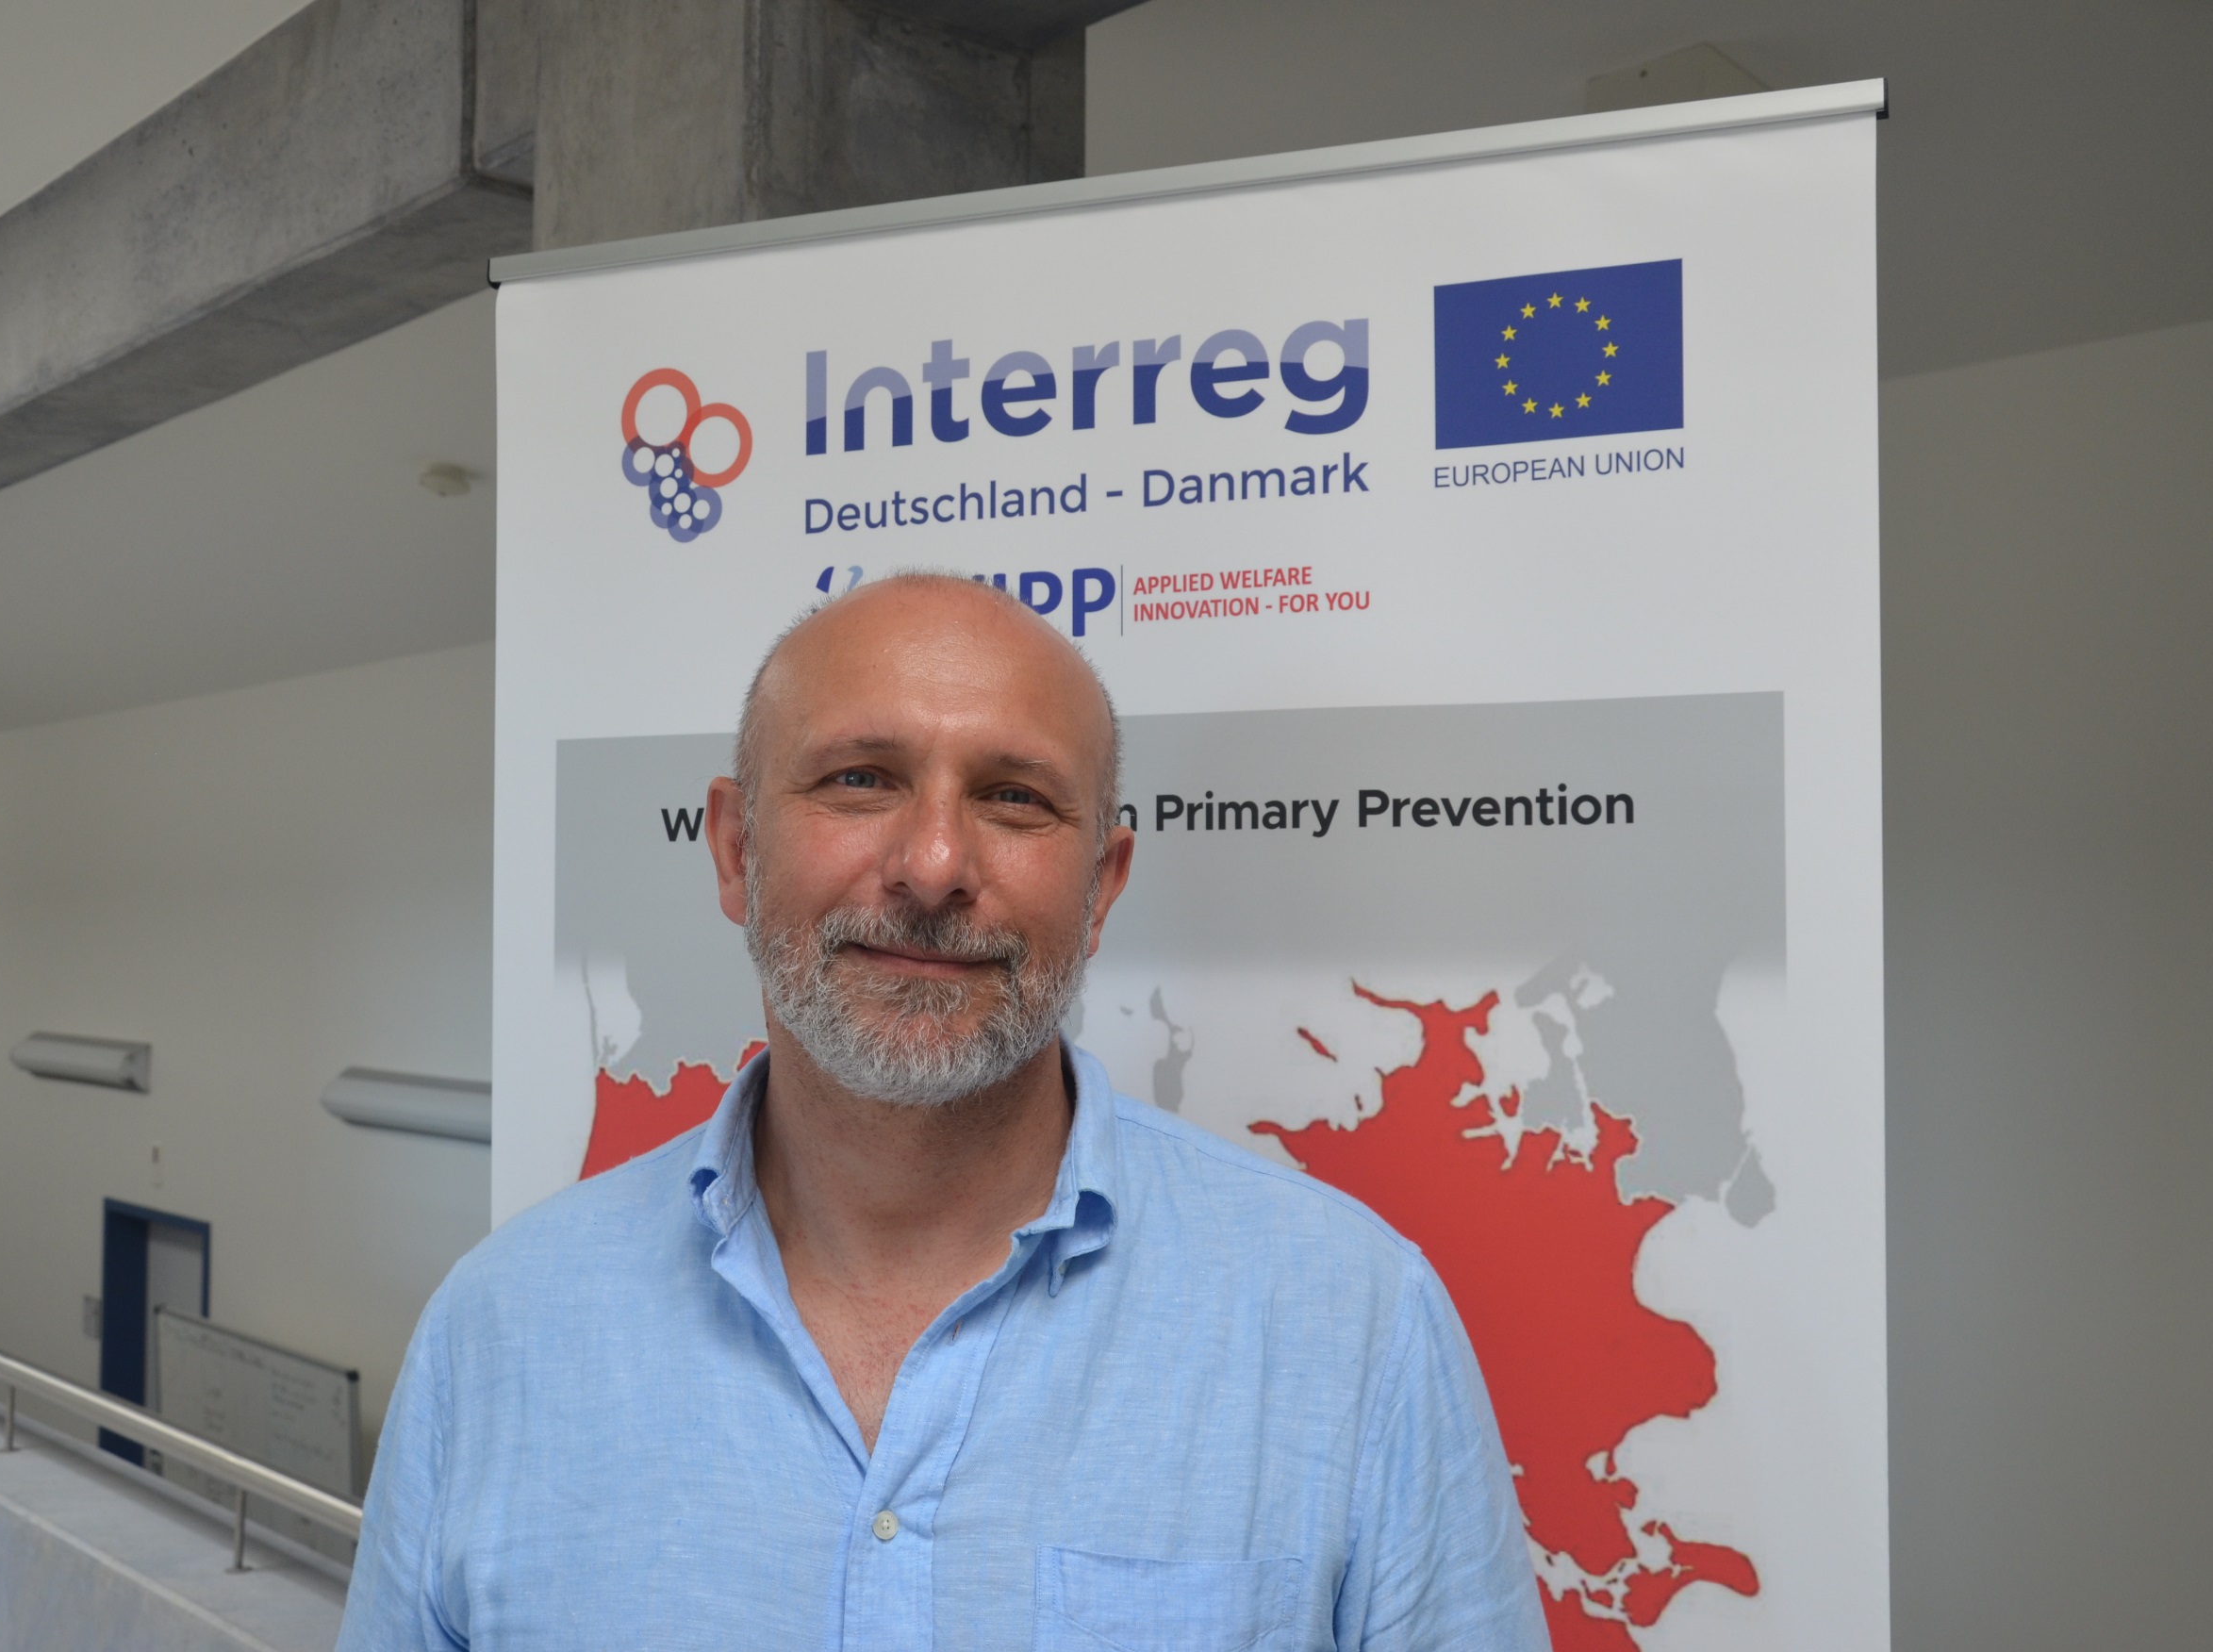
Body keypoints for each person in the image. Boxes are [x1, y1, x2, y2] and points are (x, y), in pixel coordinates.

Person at [339, 573, 1549, 1650]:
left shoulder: (1356, 1328)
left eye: (1014, 799)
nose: (930, 865)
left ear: (1100, 889)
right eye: (859, 780)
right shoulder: (496, 1334)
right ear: (734, 851)